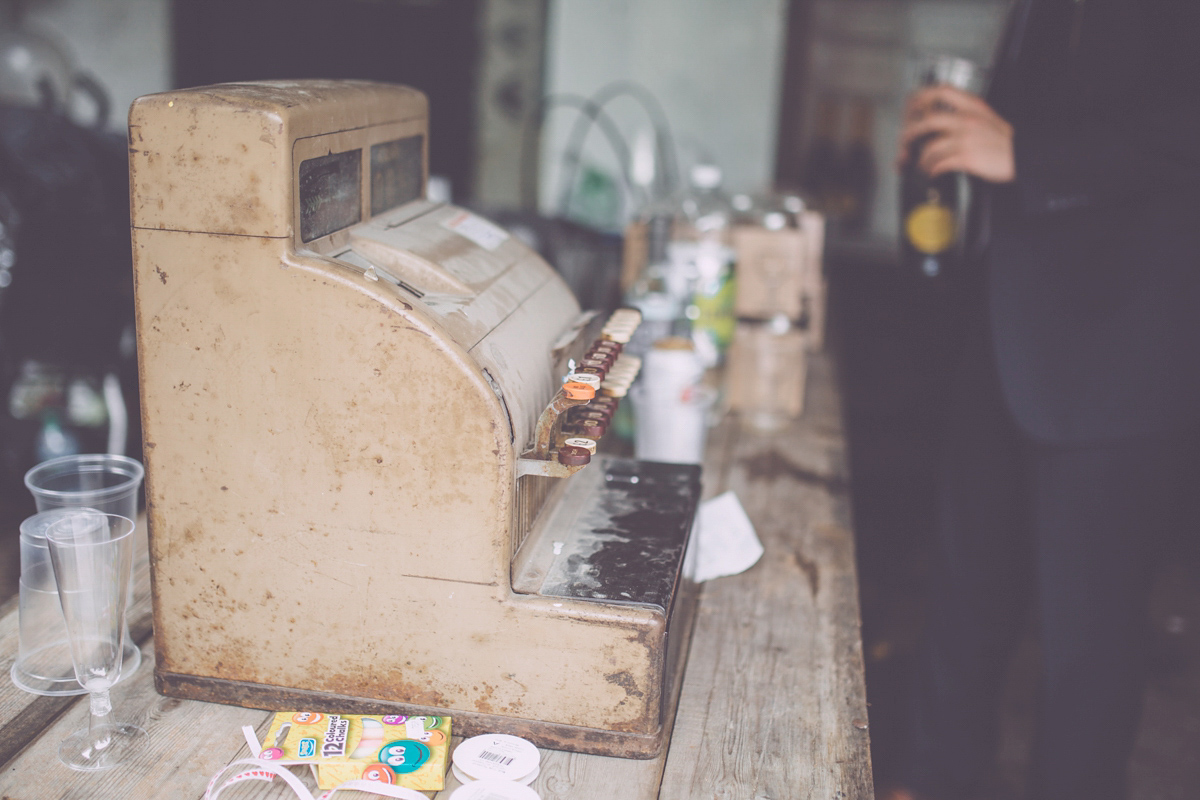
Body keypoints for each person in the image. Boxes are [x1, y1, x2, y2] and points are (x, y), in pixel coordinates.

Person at [888, 1, 1200, 798]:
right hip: (1003, 320)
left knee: (1086, 650)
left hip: (1124, 341)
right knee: (960, 603)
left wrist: (1026, 152)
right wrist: (957, 129)